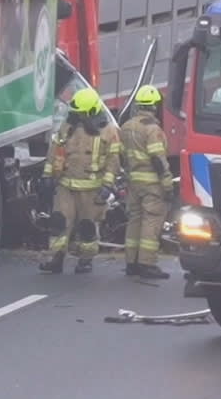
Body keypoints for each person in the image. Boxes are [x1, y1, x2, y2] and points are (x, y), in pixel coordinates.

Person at [40, 88, 118, 274]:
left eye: (80, 113)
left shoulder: (108, 131)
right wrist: (47, 176)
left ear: (90, 111)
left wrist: (107, 185)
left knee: (87, 227)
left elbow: (113, 160)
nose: (76, 116)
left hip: (91, 189)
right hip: (66, 186)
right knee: (59, 222)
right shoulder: (67, 127)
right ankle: (56, 258)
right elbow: (55, 152)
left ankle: (85, 259)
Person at [119, 86, 172, 280]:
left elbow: (121, 155)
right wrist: (167, 184)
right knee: (152, 220)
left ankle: (131, 262)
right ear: (154, 106)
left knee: (135, 219)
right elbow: (158, 159)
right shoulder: (152, 129)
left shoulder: (126, 127)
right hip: (151, 183)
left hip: (133, 182)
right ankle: (147, 263)